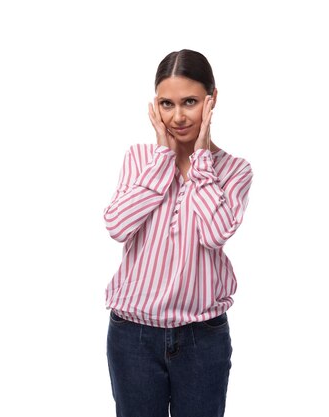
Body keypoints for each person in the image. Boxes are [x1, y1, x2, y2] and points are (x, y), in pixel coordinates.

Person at [102, 49, 253, 417]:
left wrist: (200, 159)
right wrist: (162, 160)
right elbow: (117, 226)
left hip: (202, 337)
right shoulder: (139, 159)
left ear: (211, 100)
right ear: (155, 106)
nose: (178, 116)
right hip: (133, 335)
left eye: (190, 102)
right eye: (167, 104)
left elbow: (215, 233)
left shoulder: (234, 170)